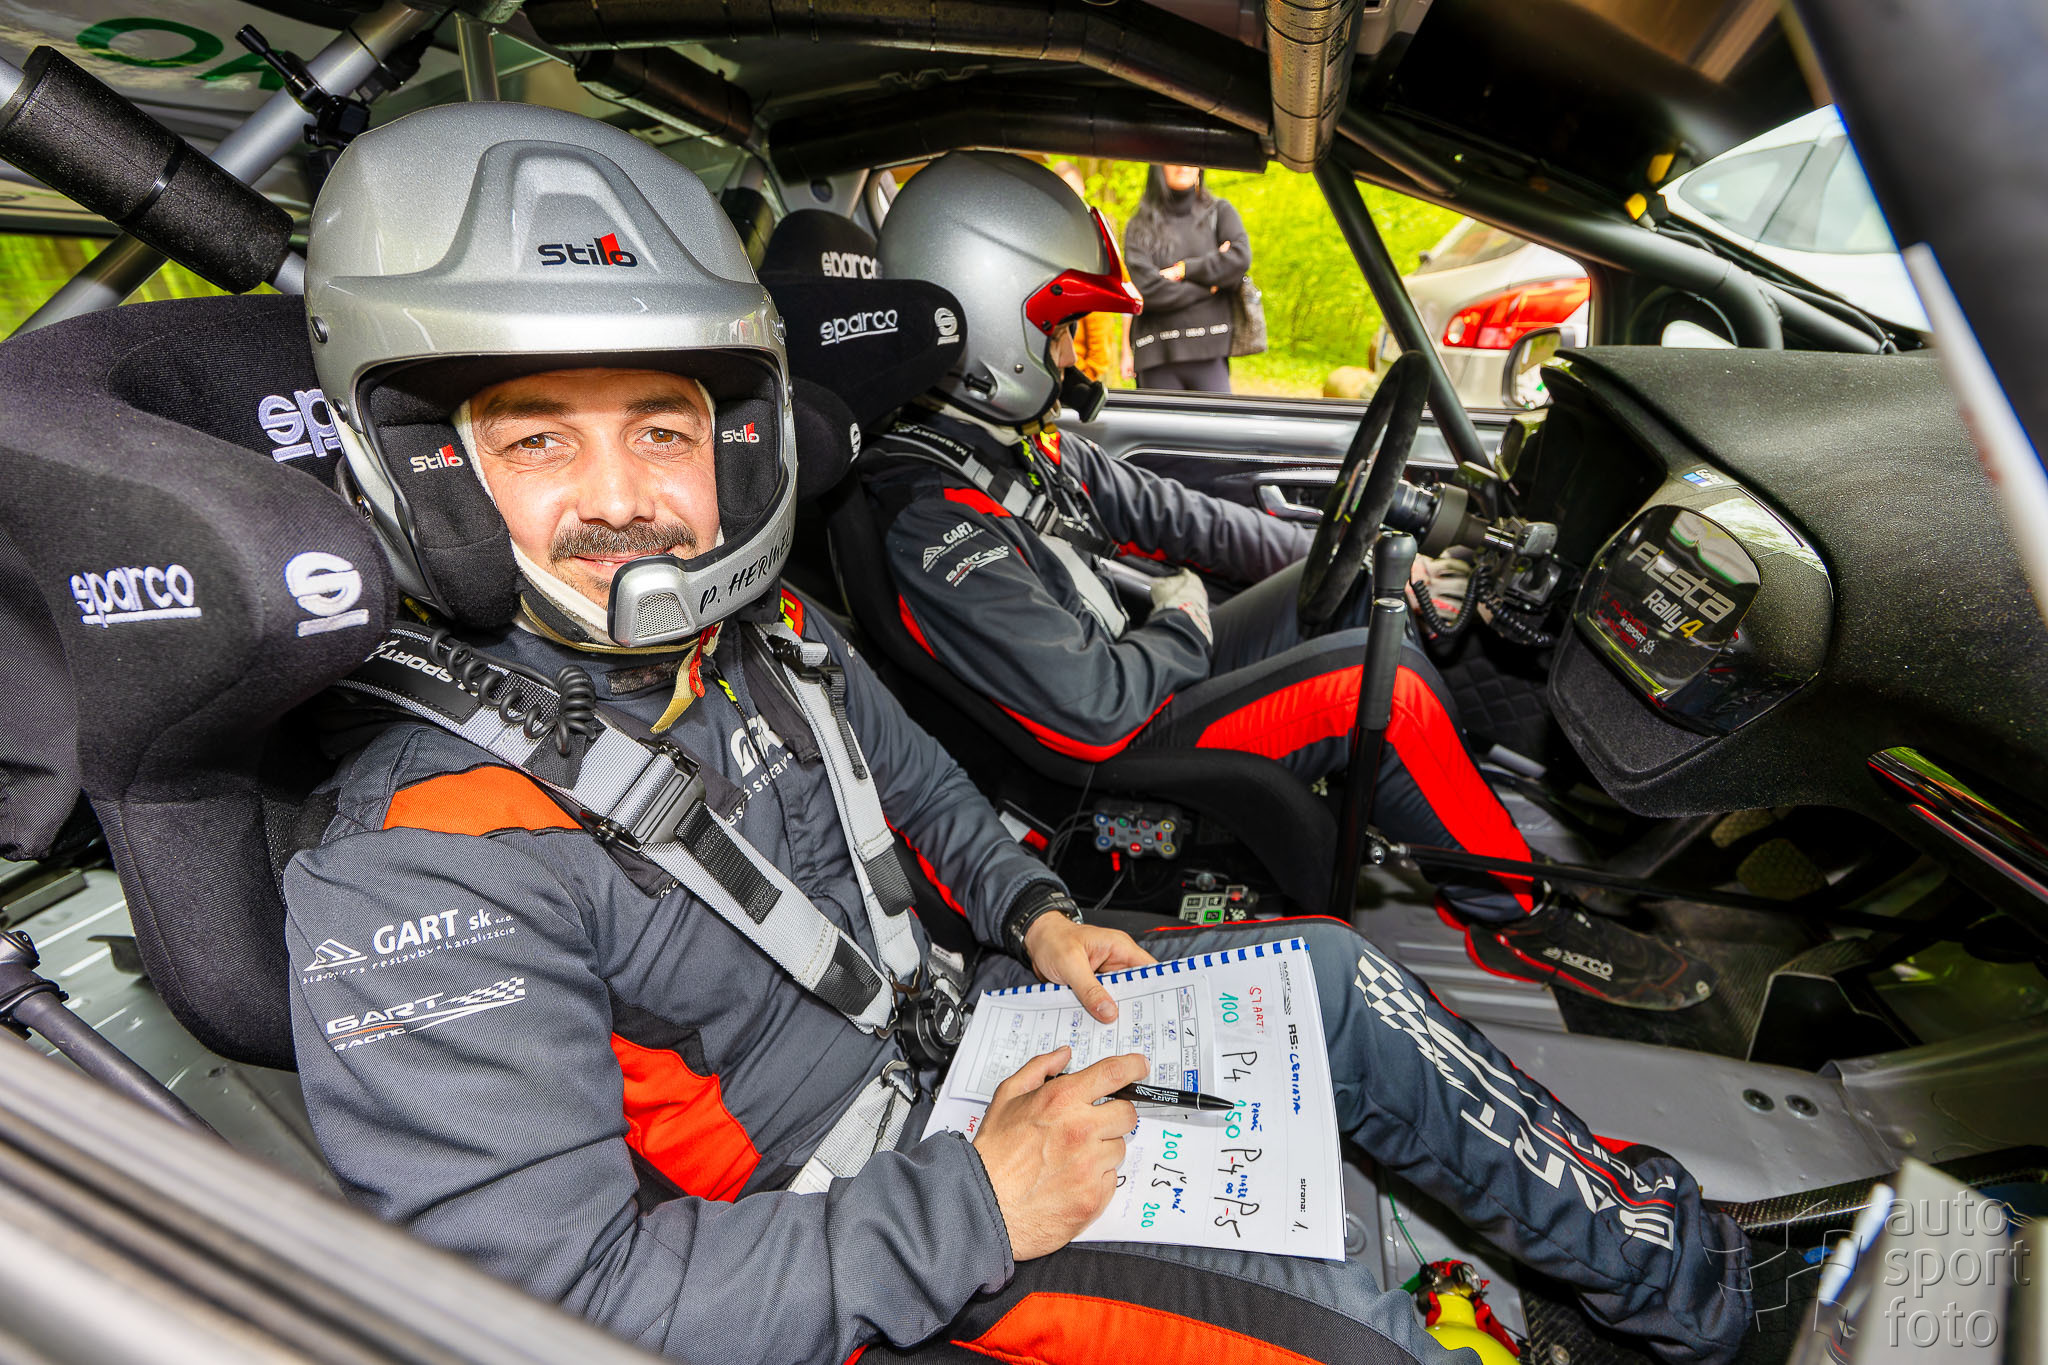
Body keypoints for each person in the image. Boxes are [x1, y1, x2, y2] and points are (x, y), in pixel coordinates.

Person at [287, 106, 1749, 1365]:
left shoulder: (760, 636)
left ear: (735, 441)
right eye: (538, 438)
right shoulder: (418, 859)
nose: (623, 500)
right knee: (1339, 1327)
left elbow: (919, 790)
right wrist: (977, 1201)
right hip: (848, 1218)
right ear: (430, 470)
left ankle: (1685, 1281)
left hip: (969, 1037)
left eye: (661, 429)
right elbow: (550, 1307)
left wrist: (1037, 913)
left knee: (1326, 977)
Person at [870, 150, 1716, 1010]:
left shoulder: (1015, 448)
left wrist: (1351, 550)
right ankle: (1517, 915)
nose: (1069, 351)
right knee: (1381, 693)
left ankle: (1453, 810)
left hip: (1140, 668)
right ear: (992, 328)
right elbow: (1095, 709)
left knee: (1356, 591)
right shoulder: (930, 520)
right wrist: (1183, 621)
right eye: (1059, 328)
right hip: (1113, 751)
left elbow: (1182, 516)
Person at [1125, 163, 1246, 392]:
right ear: (1157, 165)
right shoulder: (1139, 225)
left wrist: (1183, 270)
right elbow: (1145, 290)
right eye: (1173, 158)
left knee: (1215, 417)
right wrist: (1208, 287)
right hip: (1156, 356)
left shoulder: (1219, 213)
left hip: (1210, 353)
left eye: (1190, 159)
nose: (1182, 165)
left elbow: (1238, 261)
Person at [1050, 161, 1130, 385]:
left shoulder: (1094, 244)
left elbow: (1100, 316)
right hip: (1047, 368)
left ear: (1083, 191)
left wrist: (1086, 374)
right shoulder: (1046, 242)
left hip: (1078, 373)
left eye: (1073, 192)